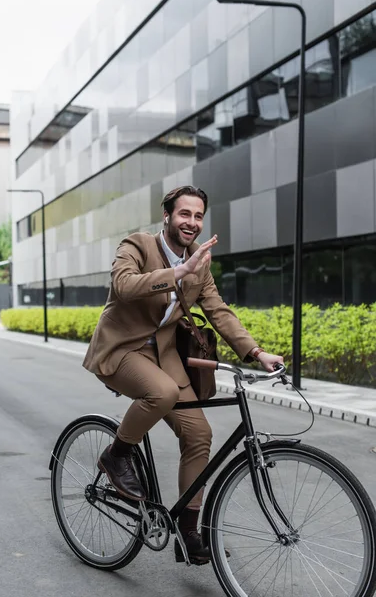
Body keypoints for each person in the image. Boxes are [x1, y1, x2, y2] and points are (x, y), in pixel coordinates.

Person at [83, 185, 284, 565]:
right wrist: (177, 271)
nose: (191, 222)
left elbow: (218, 310)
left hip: (165, 354)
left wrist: (256, 352)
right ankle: (116, 455)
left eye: (197, 216)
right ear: (167, 216)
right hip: (123, 348)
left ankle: (188, 533)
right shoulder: (138, 245)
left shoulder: (200, 261)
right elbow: (123, 286)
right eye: (184, 214)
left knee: (199, 434)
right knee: (161, 392)